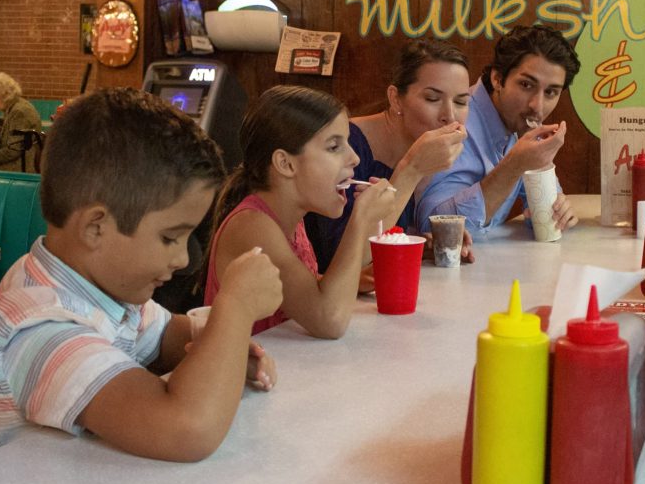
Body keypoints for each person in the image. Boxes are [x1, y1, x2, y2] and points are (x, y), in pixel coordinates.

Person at [0, 88, 283, 473]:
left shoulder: (101, 289)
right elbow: (186, 429)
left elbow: (167, 336)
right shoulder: (39, 326)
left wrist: (224, 349)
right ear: (95, 228)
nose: (183, 259)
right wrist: (234, 309)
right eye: (170, 237)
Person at [205, 85, 398, 340]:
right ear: (286, 164)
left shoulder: (292, 217)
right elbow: (329, 321)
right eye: (334, 147)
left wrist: (345, 279)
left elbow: (297, 290)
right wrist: (361, 219)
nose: (354, 158)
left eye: (348, 143)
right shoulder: (252, 226)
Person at [304, 39, 472, 273]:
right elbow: (342, 259)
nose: (450, 115)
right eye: (432, 99)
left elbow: (381, 240)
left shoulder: (415, 151)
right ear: (395, 99)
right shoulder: (345, 146)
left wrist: (415, 243)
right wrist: (412, 170)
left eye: (461, 101)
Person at [415, 24, 582, 235]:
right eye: (526, 85)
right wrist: (514, 165)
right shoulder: (455, 121)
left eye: (550, 92)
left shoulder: (523, 124)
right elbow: (434, 227)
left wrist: (557, 211)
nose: (537, 106)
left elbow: (544, 214)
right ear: (498, 79)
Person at [0, 72, 42, 171]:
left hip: (20, 169)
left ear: (4, 95)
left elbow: (13, 150)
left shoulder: (19, 112)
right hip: (18, 165)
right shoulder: (13, 107)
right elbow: (13, 138)